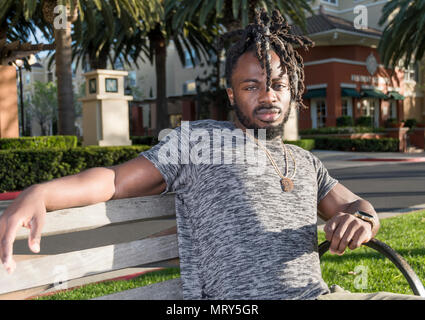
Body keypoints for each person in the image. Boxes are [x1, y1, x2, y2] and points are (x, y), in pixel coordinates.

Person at [0, 9, 422, 300]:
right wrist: (41, 192)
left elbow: (351, 203)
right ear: (230, 93)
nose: (267, 95)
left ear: (292, 90)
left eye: (276, 83)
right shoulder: (198, 141)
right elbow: (115, 179)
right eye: (251, 86)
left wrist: (362, 219)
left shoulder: (305, 161)